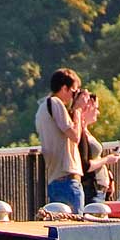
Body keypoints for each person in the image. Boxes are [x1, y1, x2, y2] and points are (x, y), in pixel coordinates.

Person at [35, 67, 95, 215]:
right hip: (67, 179)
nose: (74, 96)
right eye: (74, 91)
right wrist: (78, 110)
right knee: (76, 229)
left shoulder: (43, 107)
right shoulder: (55, 103)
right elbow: (75, 136)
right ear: (64, 88)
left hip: (56, 178)